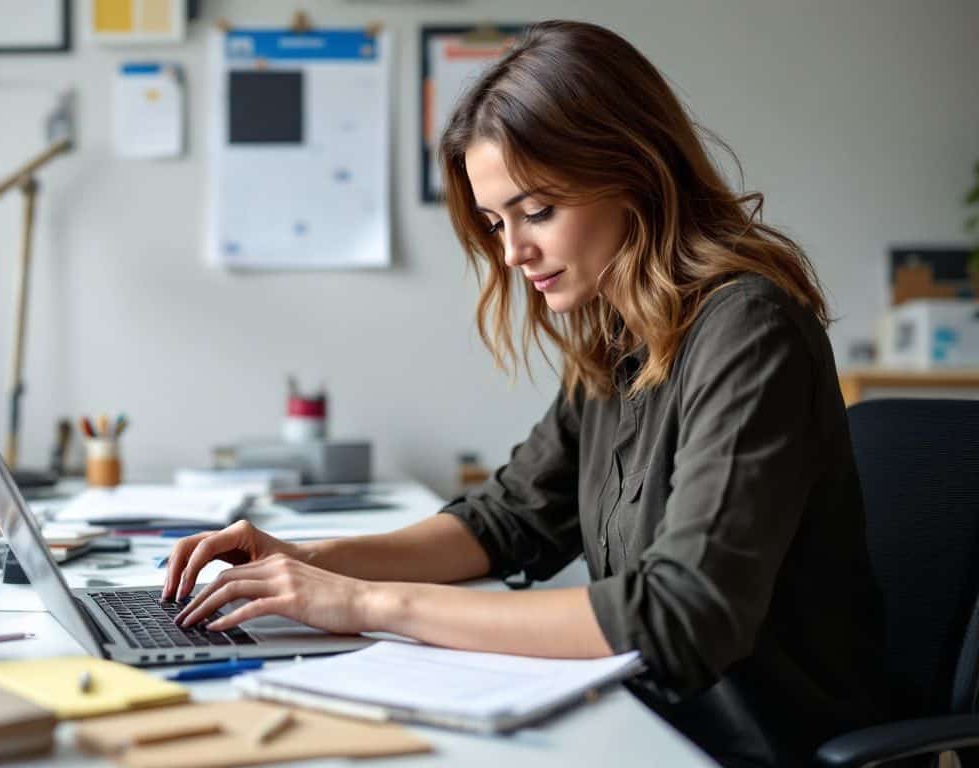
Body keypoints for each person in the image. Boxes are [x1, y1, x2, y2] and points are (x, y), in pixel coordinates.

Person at [163, 20, 885, 767]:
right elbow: (506, 520)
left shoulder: (750, 329)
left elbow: (681, 616)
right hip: (646, 722)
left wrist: (367, 604)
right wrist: (314, 563)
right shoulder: (617, 334)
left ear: (633, 169)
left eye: (537, 211)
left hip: (747, 746)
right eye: (495, 222)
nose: (512, 253)